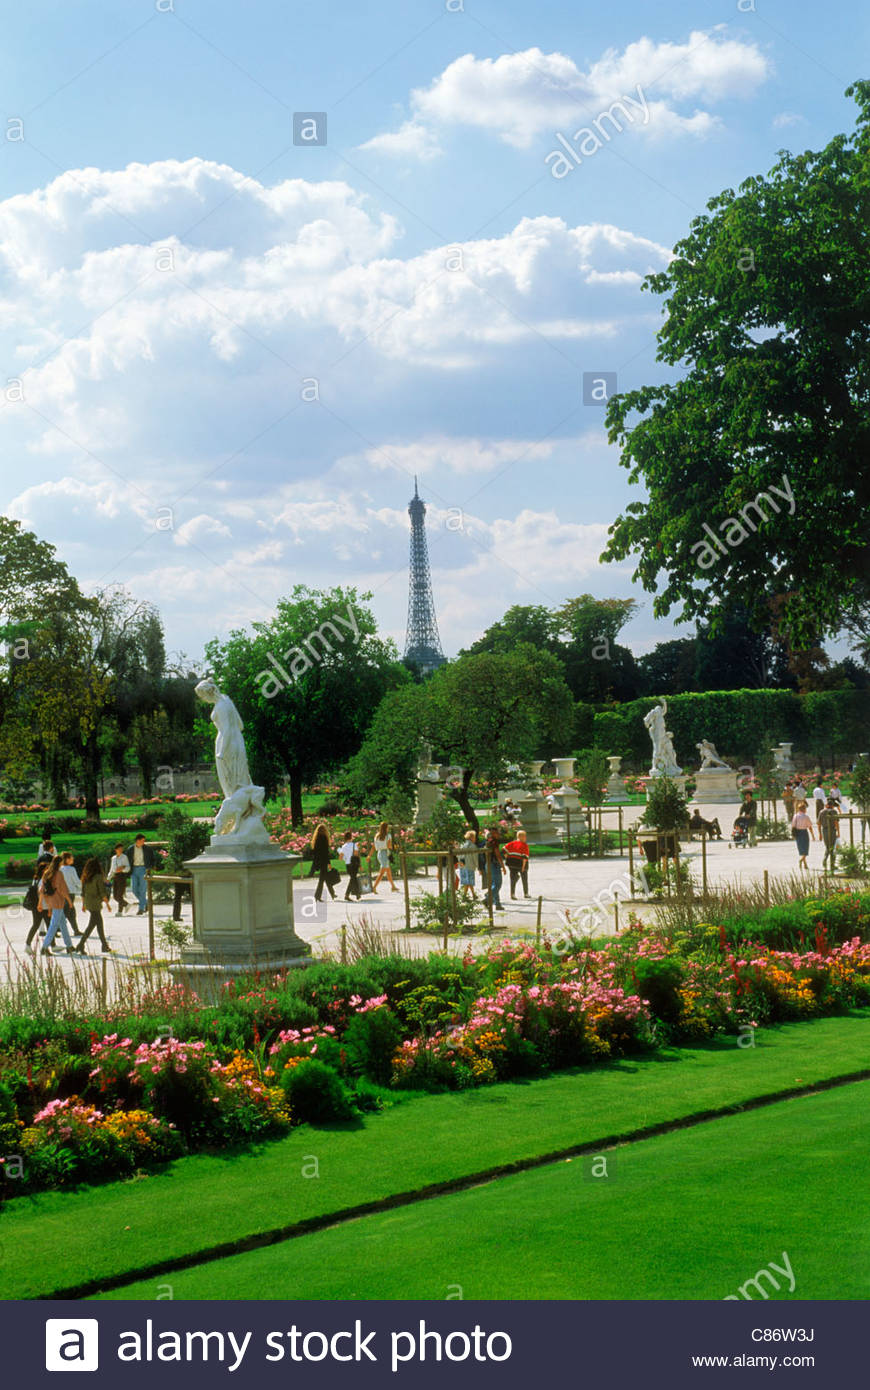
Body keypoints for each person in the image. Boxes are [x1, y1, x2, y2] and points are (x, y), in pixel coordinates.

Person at [75, 858, 113, 954]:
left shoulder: (85, 877)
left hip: (88, 902)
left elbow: (83, 893)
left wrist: (83, 905)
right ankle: (81, 945)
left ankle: (103, 945)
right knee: (94, 925)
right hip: (95, 903)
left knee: (97, 924)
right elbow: (102, 892)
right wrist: (108, 904)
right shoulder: (98, 877)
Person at [39, 855, 75, 956]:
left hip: (50, 899)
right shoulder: (59, 874)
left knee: (62, 923)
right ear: (60, 863)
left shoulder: (46, 873)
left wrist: (41, 902)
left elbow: (42, 889)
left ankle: (69, 946)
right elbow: (62, 889)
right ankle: (44, 947)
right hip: (58, 901)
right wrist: (69, 900)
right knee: (54, 925)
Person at [125, 834, 157, 915]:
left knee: (142, 890)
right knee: (134, 889)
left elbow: (153, 859)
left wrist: (151, 867)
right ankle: (146, 903)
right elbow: (127, 860)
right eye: (142, 840)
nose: (144, 842)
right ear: (137, 840)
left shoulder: (147, 849)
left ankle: (141, 909)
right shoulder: (130, 849)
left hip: (143, 869)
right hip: (134, 870)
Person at [310, 822, 336, 902]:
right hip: (324, 861)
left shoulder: (316, 839)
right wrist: (329, 863)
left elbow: (315, 852)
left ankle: (332, 893)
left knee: (325, 878)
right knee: (322, 879)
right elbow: (325, 852)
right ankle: (317, 896)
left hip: (318, 861)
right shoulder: (324, 838)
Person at [59, 852, 83, 936]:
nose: (73, 859)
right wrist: (82, 887)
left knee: (70, 912)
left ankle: (76, 930)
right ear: (67, 859)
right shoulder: (71, 869)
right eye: (71, 858)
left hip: (61, 893)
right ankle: (56, 929)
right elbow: (76, 881)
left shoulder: (59, 869)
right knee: (68, 911)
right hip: (70, 893)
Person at [372, 821, 400, 893]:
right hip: (385, 853)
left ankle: (393, 887)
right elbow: (389, 846)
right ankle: (374, 887)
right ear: (386, 828)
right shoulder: (388, 836)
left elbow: (375, 846)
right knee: (382, 873)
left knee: (388, 872)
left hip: (379, 853)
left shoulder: (377, 835)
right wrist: (394, 847)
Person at [482, 827, 505, 912]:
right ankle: (487, 898)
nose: (498, 834)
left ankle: (497, 904)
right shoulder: (494, 842)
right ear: (493, 833)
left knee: (494, 885)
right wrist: (503, 866)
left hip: (487, 865)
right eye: (497, 833)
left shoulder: (487, 841)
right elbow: (498, 854)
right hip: (494, 865)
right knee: (498, 884)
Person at [504, 828, 530, 899]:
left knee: (512, 879)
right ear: (520, 837)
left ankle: (512, 894)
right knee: (524, 878)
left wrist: (507, 858)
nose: (525, 838)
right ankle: (526, 893)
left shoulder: (511, 843)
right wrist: (523, 867)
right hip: (520, 864)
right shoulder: (524, 845)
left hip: (511, 864)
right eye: (524, 836)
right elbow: (525, 858)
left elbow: (504, 850)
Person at [791, 799, 816, 871]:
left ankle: (805, 864)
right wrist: (813, 835)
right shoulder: (806, 817)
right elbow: (810, 827)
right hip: (804, 832)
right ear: (804, 809)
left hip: (798, 833)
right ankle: (801, 860)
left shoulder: (795, 816)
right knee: (805, 848)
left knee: (801, 848)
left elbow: (793, 825)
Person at [107, 843, 131, 914]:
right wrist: (108, 878)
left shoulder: (124, 857)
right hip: (115, 877)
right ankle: (126, 904)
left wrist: (122, 869)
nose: (121, 850)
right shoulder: (113, 858)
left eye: (122, 849)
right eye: (119, 849)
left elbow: (128, 868)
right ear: (116, 850)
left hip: (122, 876)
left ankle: (120, 911)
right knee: (115, 896)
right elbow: (112, 869)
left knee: (119, 895)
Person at [818, 798, 840, 873]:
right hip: (832, 830)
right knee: (832, 847)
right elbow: (836, 822)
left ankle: (825, 861)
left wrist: (820, 834)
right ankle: (831, 863)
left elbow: (819, 823)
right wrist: (838, 832)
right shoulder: (834, 811)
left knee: (827, 846)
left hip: (824, 830)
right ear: (832, 806)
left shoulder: (821, 812)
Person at [458, 829, 478, 899]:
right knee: (469, 881)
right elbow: (475, 857)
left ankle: (472, 894)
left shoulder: (462, 844)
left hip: (462, 865)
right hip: (470, 865)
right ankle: (465, 896)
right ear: (472, 837)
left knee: (466, 881)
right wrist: (477, 866)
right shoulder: (473, 846)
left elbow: (458, 855)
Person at [342, 836, 363, 902]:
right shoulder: (354, 845)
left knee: (353, 879)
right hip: (354, 864)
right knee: (353, 878)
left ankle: (349, 895)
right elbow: (356, 855)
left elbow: (342, 856)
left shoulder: (343, 846)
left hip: (348, 865)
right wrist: (360, 865)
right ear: (350, 838)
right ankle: (356, 894)